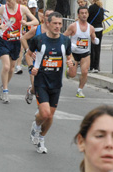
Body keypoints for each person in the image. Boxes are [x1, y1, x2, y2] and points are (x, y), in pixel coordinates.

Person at [27, 12, 76, 154]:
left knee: (50, 116)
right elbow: (28, 56)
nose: (58, 26)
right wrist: (31, 68)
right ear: (48, 23)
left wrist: (70, 61)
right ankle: (35, 127)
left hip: (56, 83)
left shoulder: (65, 40)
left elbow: (69, 56)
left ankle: (41, 138)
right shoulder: (39, 39)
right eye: (55, 23)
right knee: (44, 113)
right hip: (41, 80)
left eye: (60, 24)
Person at [0, 0, 39, 104]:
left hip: (16, 41)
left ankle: (3, 85)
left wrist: (27, 23)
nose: (7, 3)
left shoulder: (22, 9)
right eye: (6, 1)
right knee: (6, 66)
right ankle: (5, 91)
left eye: (9, 1)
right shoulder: (3, 9)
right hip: (4, 40)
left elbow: (36, 21)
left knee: (11, 68)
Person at [64, 6, 98, 98]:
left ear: (88, 14)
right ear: (78, 15)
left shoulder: (91, 28)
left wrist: (95, 40)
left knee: (85, 72)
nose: (84, 15)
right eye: (82, 13)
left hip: (85, 53)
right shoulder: (73, 26)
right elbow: (64, 37)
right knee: (72, 75)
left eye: (85, 13)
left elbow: (93, 38)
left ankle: (80, 90)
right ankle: (68, 71)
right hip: (73, 53)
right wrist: (70, 46)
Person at [87, 0, 105, 73]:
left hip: (92, 29)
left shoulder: (91, 7)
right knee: (98, 48)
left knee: (92, 48)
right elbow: (102, 18)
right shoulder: (101, 8)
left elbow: (88, 17)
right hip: (100, 29)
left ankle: (91, 66)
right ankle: (97, 66)